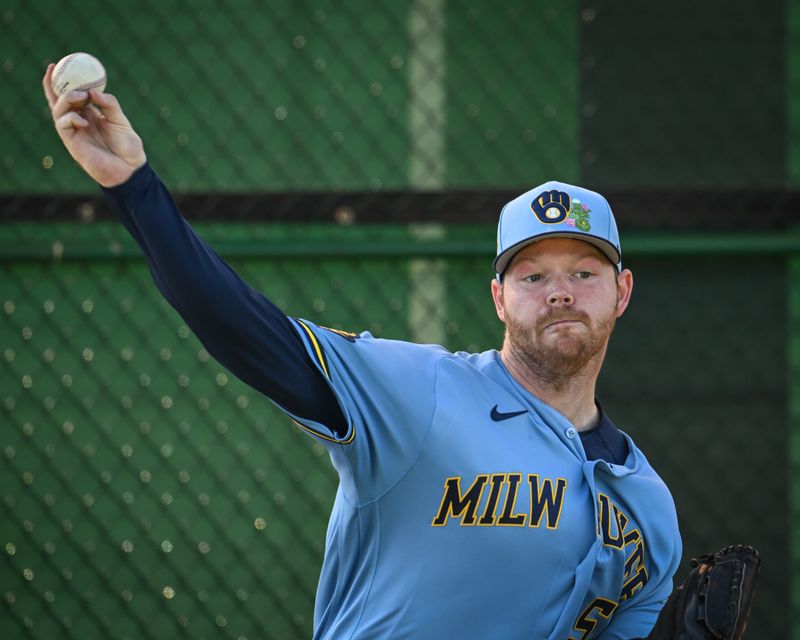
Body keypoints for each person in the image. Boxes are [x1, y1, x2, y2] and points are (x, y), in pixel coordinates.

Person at [43, 68, 730, 640]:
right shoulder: (416, 393)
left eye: (584, 273)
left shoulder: (647, 510)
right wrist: (134, 188)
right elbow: (238, 326)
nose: (559, 293)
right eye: (533, 275)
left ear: (623, 292)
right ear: (498, 297)